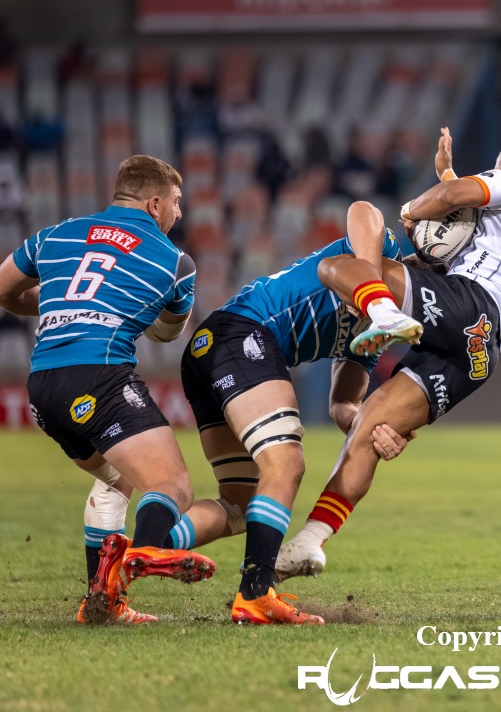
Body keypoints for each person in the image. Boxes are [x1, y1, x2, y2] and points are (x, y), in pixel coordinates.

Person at [274, 127, 501, 580]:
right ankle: (311, 540)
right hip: (482, 349)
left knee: (345, 267)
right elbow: (470, 214)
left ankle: (380, 312)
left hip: (468, 302)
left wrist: (410, 210)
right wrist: (446, 171)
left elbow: (455, 198)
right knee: (371, 426)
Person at [0, 155, 216, 625]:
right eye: (175, 202)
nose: (179, 213)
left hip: (43, 386)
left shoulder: (56, 234)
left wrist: (62, 308)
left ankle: (101, 603)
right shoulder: (176, 261)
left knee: (117, 480)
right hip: (100, 376)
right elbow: (166, 333)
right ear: (154, 204)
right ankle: (145, 552)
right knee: (172, 486)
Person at [175, 200, 420, 625]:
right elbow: (363, 210)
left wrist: (376, 428)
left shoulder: (375, 336)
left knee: (238, 506)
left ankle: (137, 552)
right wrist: (374, 293)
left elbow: (343, 406)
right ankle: (255, 595)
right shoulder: (384, 257)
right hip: (244, 333)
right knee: (286, 462)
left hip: (213, 345)